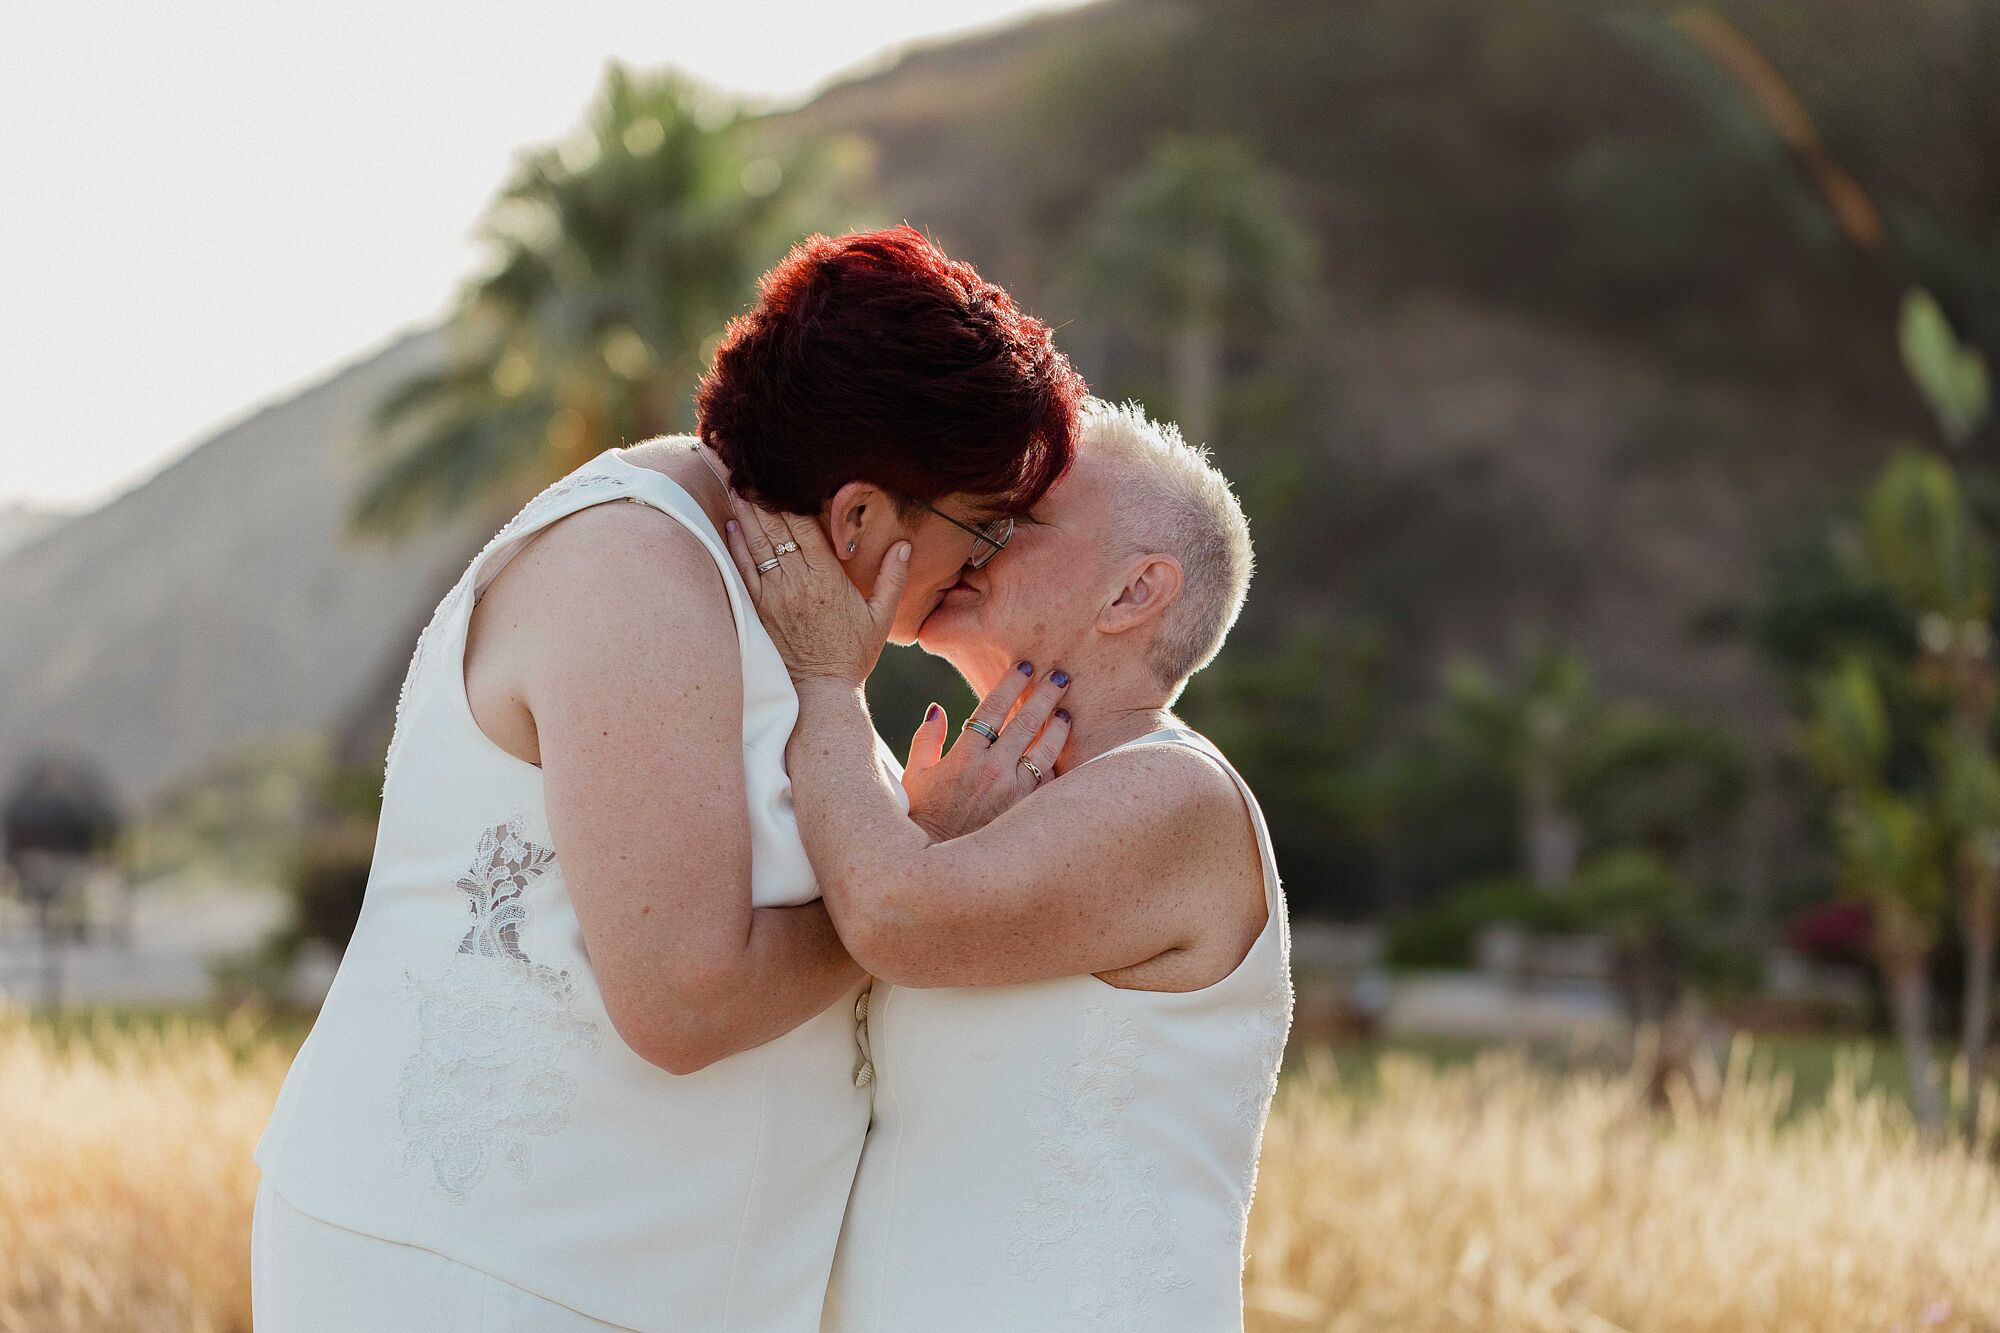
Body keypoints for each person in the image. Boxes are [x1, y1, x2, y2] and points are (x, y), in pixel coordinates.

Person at [249, 226, 1087, 1332]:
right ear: (858, 512)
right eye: (979, 528)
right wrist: (921, 863)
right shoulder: (633, 570)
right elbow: (685, 998)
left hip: (633, 1278)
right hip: (481, 1269)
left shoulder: (796, 617)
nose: (983, 566)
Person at [723, 399, 1292, 1332]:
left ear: (1133, 593)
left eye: (1019, 518)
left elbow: (892, 920)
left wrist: (826, 679)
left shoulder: (1177, 793)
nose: (975, 531)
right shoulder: (953, 812)